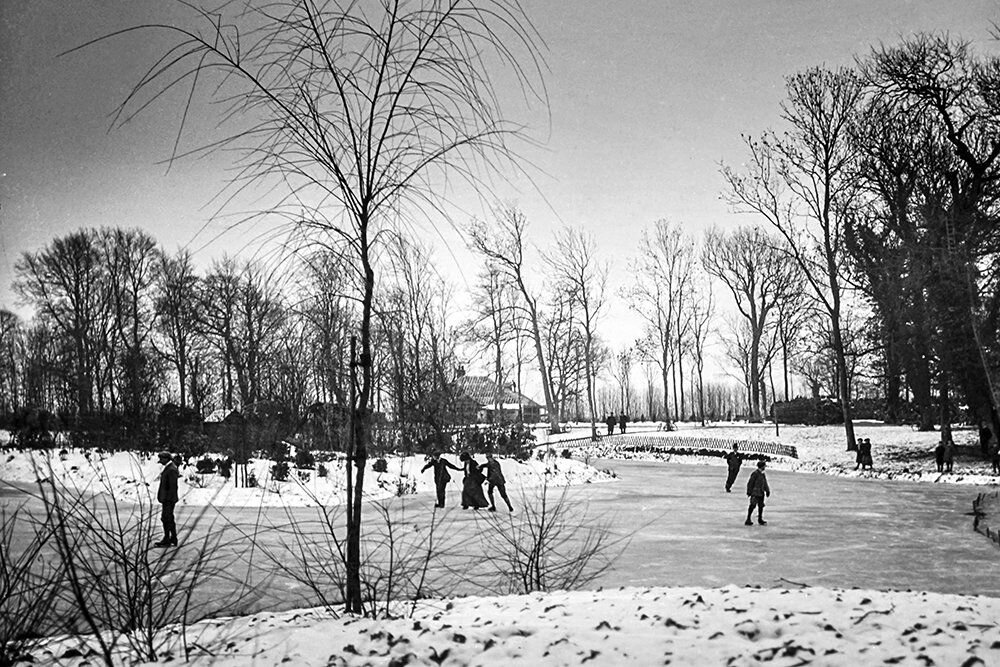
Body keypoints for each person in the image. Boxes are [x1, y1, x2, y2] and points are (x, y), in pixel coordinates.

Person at [154, 451, 179, 547]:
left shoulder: (171, 469)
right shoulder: (169, 468)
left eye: (161, 459)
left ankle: (167, 538)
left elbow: (172, 487)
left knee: (166, 518)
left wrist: (167, 498)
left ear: (166, 459)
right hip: (168, 499)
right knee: (168, 518)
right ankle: (172, 538)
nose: (160, 461)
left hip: (169, 499)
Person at [745, 460, 770, 526]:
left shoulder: (762, 474)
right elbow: (750, 483)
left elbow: (765, 483)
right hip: (755, 493)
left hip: (761, 493)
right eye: (764, 466)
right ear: (762, 466)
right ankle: (748, 519)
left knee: (761, 506)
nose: (765, 467)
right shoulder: (755, 474)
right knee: (752, 505)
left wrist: (767, 490)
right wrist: (749, 492)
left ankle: (760, 519)